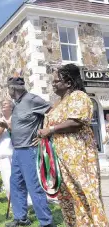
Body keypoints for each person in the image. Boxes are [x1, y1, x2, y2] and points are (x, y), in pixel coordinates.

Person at [38, 63, 109, 227]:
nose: (53, 84)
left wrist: (51, 129)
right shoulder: (58, 102)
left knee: (84, 192)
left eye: (56, 81)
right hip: (60, 157)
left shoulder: (78, 96)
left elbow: (76, 122)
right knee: (69, 195)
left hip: (78, 155)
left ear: (69, 82)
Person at [4, 77, 54, 227]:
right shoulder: (17, 104)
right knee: (16, 185)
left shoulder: (32, 99)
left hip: (30, 150)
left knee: (34, 186)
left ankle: (46, 222)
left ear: (13, 89)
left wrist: (46, 133)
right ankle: (21, 218)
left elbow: (52, 113)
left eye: (9, 89)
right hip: (17, 151)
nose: (9, 92)